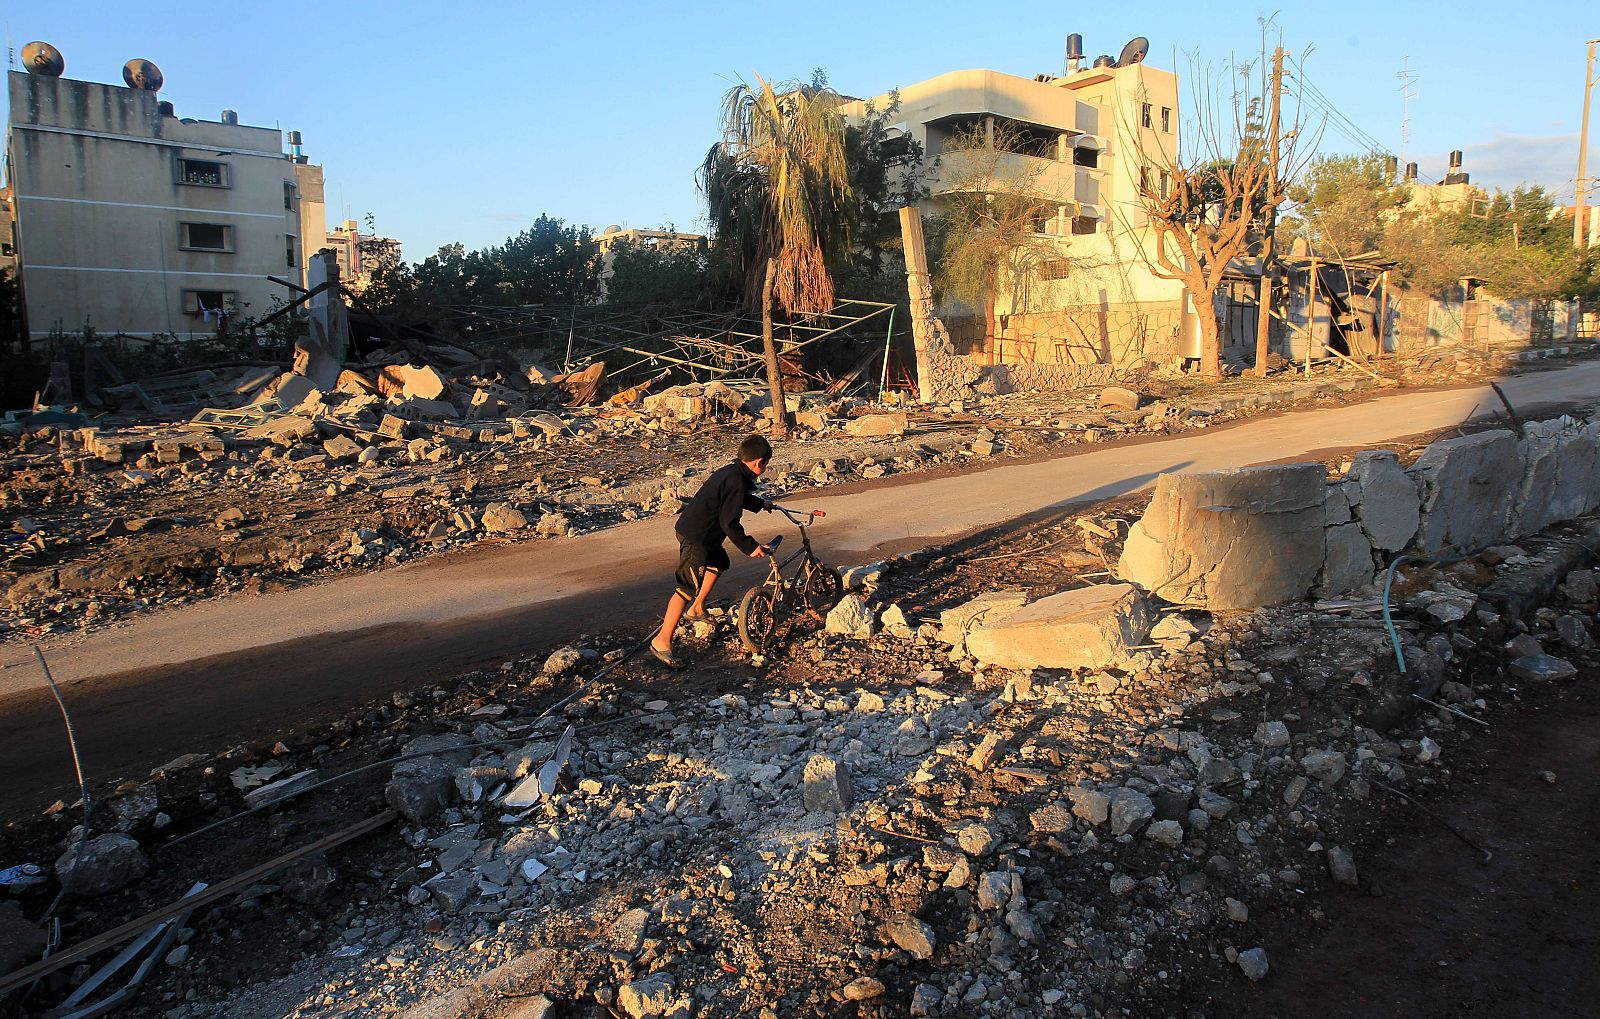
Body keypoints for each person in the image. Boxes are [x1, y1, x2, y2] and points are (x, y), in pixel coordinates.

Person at [650, 434, 774, 667]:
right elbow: (730, 522)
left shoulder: (733, 473)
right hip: (698, 537)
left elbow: (734, 499)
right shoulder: (737, 481)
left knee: (719, 562)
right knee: (687, 587)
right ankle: (662, 640)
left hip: (701, 534)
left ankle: (697, 608)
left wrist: (761, 504)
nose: (765, 468)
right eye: (765, 464)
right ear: (759, 463)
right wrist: (751, 547)